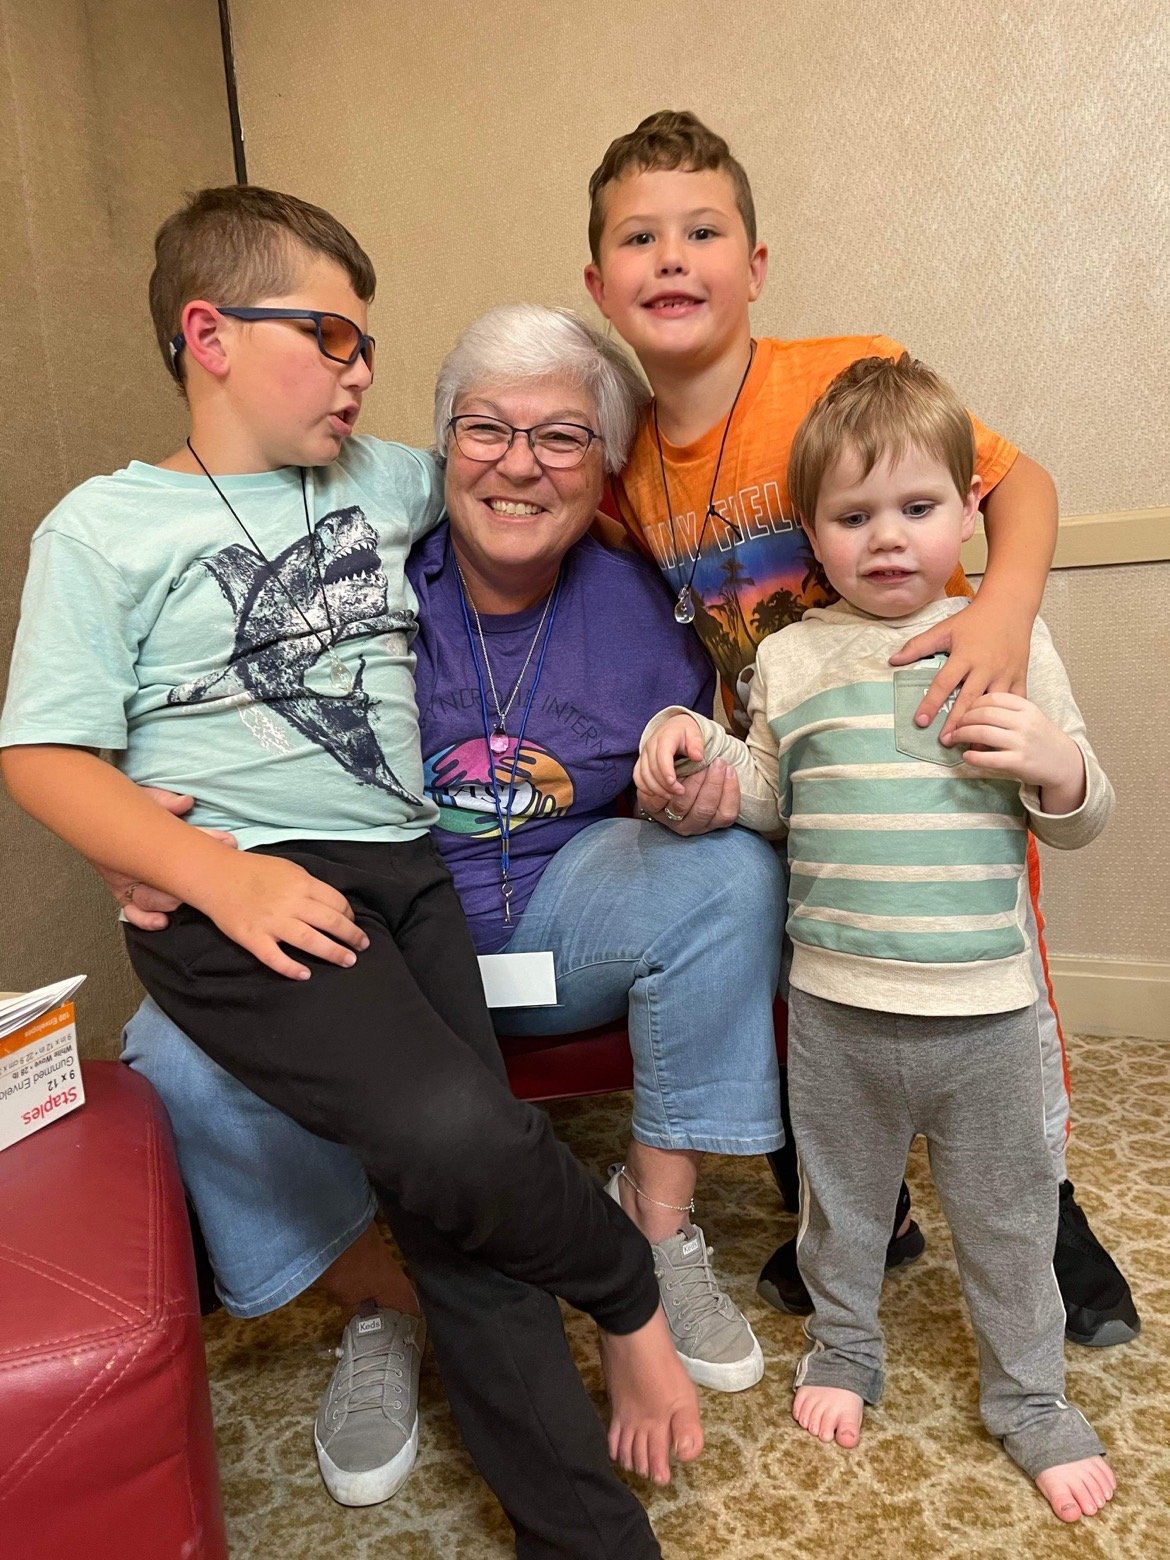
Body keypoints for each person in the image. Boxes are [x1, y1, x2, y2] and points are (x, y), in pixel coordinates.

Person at [0, 186, 704, 1560]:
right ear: (208, 333)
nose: (361, 367)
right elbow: (41, 754)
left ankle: (589, 1539)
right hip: (247, 889)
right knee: (454, 1133)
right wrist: (194, 866)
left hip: (406, 872)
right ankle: (627, 1290)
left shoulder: (387, 479)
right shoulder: (105, 528)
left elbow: (544, 470)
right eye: (329, 333)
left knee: (458, 1208)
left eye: (367, 343)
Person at [115, 302, 786, 1504]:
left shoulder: (647, 601)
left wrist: (700, 770)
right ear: (437, 449)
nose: (519, 464)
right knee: (169, 1048)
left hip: (564, 913)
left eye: (564, 437)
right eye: (486, 428)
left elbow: (744, 749)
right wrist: (146, 835)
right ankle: (382, 1295)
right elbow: (204, 710)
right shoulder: (357, 573)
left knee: (730, 875)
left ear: (607, 464)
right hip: (375, 944)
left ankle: (656, 1225)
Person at [582, 108, 1139, 1347]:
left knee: (992, 1000)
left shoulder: (837, 376)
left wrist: (1000, 607)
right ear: (599, 282)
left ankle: (1050, 1227)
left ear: (756, 265)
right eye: (639, 237)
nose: (672, 257)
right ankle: (856, 1218)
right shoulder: (628, 470)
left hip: (934, 739)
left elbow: (1021, 483)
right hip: (799, 752)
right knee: (818, 993)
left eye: (704, 229)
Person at [637, 352, 1118, 1523]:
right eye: (854, 517)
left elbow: (1086, 811)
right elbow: (770, 792)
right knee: (841, 1212)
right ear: (814, 533)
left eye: (918, 508)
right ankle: (845, 1349)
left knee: (1008, 1221)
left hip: (988, 1013)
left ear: (967, 508)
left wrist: (1058, 771)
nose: (889, 538)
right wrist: (691, 750)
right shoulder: (791, 658)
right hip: (839, 1011)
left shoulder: (1003, 639)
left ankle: (1031, 1397)